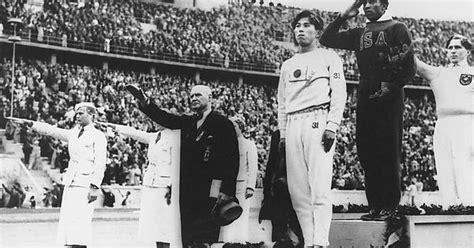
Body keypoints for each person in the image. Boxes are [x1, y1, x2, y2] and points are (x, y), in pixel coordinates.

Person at [320, 0, 416, 220]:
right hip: (365, 89)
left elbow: (408, 65)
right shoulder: (360, 32)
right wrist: (344, 16)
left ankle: (389, 206)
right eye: (364, 3)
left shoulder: (397, 28)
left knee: (388, 148)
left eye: (372, 2)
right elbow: (326, 39)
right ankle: (374, 205)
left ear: (384, 5)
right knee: (367, 149)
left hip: (388, 90)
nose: (366, 6)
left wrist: (391, 87)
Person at [126, 84, 240, 247]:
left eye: (198, 95)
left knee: (205, 237)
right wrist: (144, 101)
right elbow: (164, 118)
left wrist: (226, 190)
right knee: (187, 237)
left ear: (210, 98)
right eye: (192, 96)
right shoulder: (188, 122)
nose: (193, 98)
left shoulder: (222, 123)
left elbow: (232, 159)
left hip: (211, 190)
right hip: (187, 190)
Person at [278, 10, 347, 248]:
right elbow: (282, 103)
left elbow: (339, 92)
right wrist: (283, 133)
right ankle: (309, 241)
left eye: (307, 25)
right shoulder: (288, 65)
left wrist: (332, 125)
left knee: (319, 186)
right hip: (294, 121)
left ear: (317, 31)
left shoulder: (329, 57)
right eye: (297, 26)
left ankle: (321, 241)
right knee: (298, 191)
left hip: (318, 119)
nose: (301, 29)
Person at [8, 102, 107, 248]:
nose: (77, 116)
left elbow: (100, 162)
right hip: (70, 182)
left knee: (81, 223)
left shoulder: (98, 136)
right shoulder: (74, 133)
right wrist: (30, 123)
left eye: (81, 113)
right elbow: (52, 131)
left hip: (85, 183)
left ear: (91, 115)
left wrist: (95, 186)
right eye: (77, 113)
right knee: (68, 223)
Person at [414, 35, 473, 208]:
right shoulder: (439, 73)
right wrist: (402, 41)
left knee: (465, 166)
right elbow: (416, 64)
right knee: (445, 167)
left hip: (467, 123)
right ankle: (449, 207)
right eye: (450, 48)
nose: (453, 51)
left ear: (467, 51)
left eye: (457, 47)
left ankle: (470, 206)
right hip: (443, 123)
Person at [102, 122, 181, 248]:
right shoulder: (154, 136)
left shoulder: (174, 137)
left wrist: (172, 186)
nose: (155, 122)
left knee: (165, 224)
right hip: (151, 183)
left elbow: (176, 164)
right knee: (154, 223)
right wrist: (115, 127)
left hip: (165, 185)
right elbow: (135, 133)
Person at [219, 116, 258, 244]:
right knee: (227, 212)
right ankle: (227, 241)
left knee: (242, 212)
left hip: (242, 184)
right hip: (227, 185)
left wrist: (250, 186)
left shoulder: (248, 144)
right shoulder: (225, 145)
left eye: (234, 126)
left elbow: (253, 167)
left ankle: (241, 240)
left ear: (240, 127)